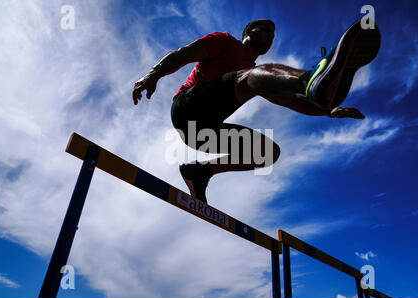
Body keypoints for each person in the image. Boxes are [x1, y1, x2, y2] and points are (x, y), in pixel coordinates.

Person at [132, 19, 381, 203]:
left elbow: (291, 102)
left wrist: (328, 110)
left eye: (274, 35)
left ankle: (199, 171)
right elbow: (183, 54)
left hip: (201, 135)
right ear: (249, 31)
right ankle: (309, 80)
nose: (271, 37)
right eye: (267, 31)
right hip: (186, 109)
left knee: (267, 153)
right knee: (252, 77)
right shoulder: (225, 42)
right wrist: (153, 74)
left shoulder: (260, 77)